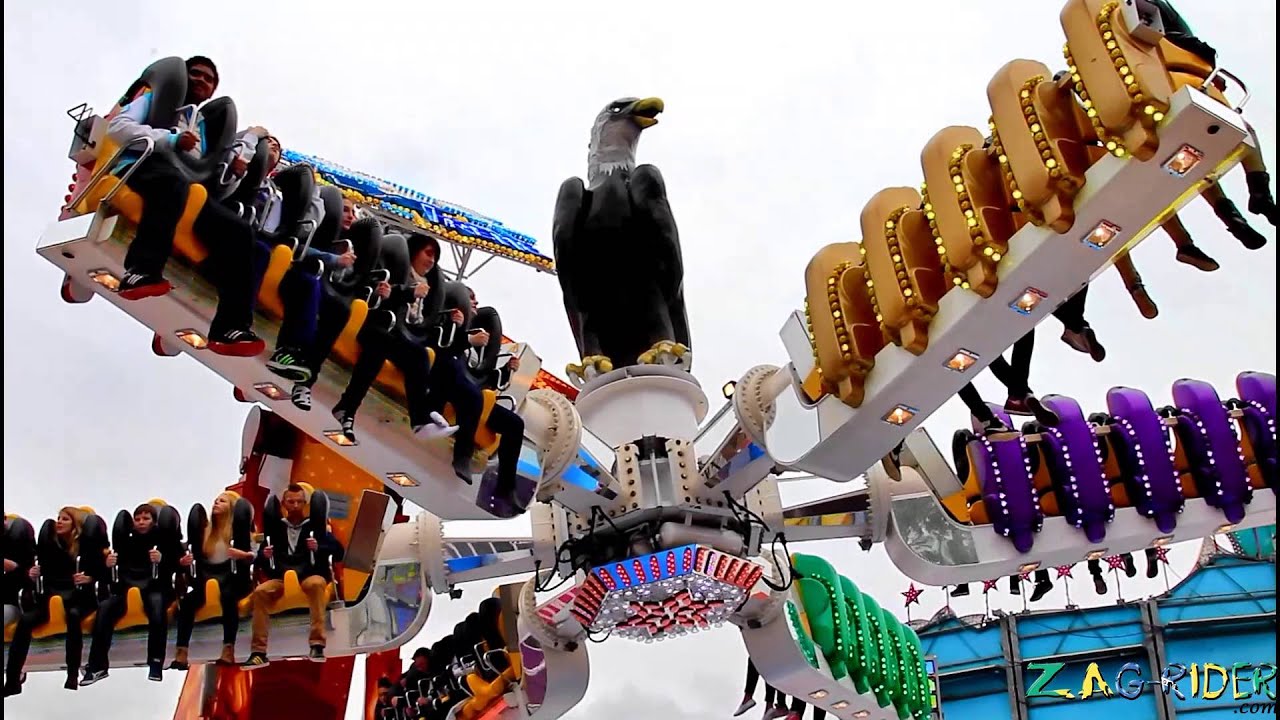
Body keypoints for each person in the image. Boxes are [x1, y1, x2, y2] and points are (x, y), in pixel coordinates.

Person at [108, 55, 263, 355]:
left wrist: (233, 172)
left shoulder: (205, 126)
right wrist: (170, 139)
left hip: (188, 187)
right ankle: (140, 269)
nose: (202, 81)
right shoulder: (155, 100)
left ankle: (230, 327)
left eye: (209, 79)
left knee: (240, 232)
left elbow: (210, 176)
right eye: (196, 74)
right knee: (171, 184)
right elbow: (118, 127)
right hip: (144, 166)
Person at [331, 233, 469, 455]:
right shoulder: (397, 267)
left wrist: (456, 325)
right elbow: (381, 290)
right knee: (378, 346)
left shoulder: (430, 288)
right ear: (413, 252)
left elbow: (422, 323)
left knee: (419, 355)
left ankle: (420, 419)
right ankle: (348, 407)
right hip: (374, 323)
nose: (431, 261)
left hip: (398, 335)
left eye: (435, 257)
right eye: (428, 253)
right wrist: (408, 292)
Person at [242, 484, 345, 668]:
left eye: (299, 502)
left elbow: (338, 552)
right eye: (291, 501)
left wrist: (319, 547)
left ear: (305, 503)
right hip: (281, 577)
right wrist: (264, 556)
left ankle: (317, 644)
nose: (295, 505)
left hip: (309, 574)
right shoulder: (275, 530)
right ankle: (258, 651)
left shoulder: (318, 528)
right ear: (283, 503)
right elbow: (259, 562)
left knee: (316, 584)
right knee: (260, 592)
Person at [5, 507, 105, 694]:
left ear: (75, 525)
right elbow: (38, 571)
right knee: (25, 622)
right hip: (52, 597)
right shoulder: (50, 547)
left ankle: (72, 674)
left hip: (78, 598)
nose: (59, 522)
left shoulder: (85, 547)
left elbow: (101, 571)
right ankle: (12, 680)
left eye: (65, 519)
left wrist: (90, 578)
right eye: (58, 518)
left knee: (73, 616)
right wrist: (32, 573)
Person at [82, 503, 182, 684]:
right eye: (138, 519)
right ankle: (97, 666)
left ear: (154, 521)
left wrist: (162, 560)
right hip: (127, 591)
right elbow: (110, 578)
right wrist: (108, 565)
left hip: (153, 589)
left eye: (146, 518)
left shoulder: (163, 542)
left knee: (157, 610)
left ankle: (156, 662)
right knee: (104, 609)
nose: (141, 522)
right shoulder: (125, 543)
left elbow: (178, 565)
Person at [169, 492, 256, 669]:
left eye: (222, 501)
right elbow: (189, 555)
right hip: (208, 579)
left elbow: (255, 553)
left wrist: (244, 555)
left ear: (231, 507)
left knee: (228, 598)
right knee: (187, 603)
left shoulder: (240, 533)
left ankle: (228, 648)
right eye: (215, 501)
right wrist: (184, 562)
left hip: (232, 579)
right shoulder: (205, 533)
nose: (216, 503)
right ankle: (181, 652)